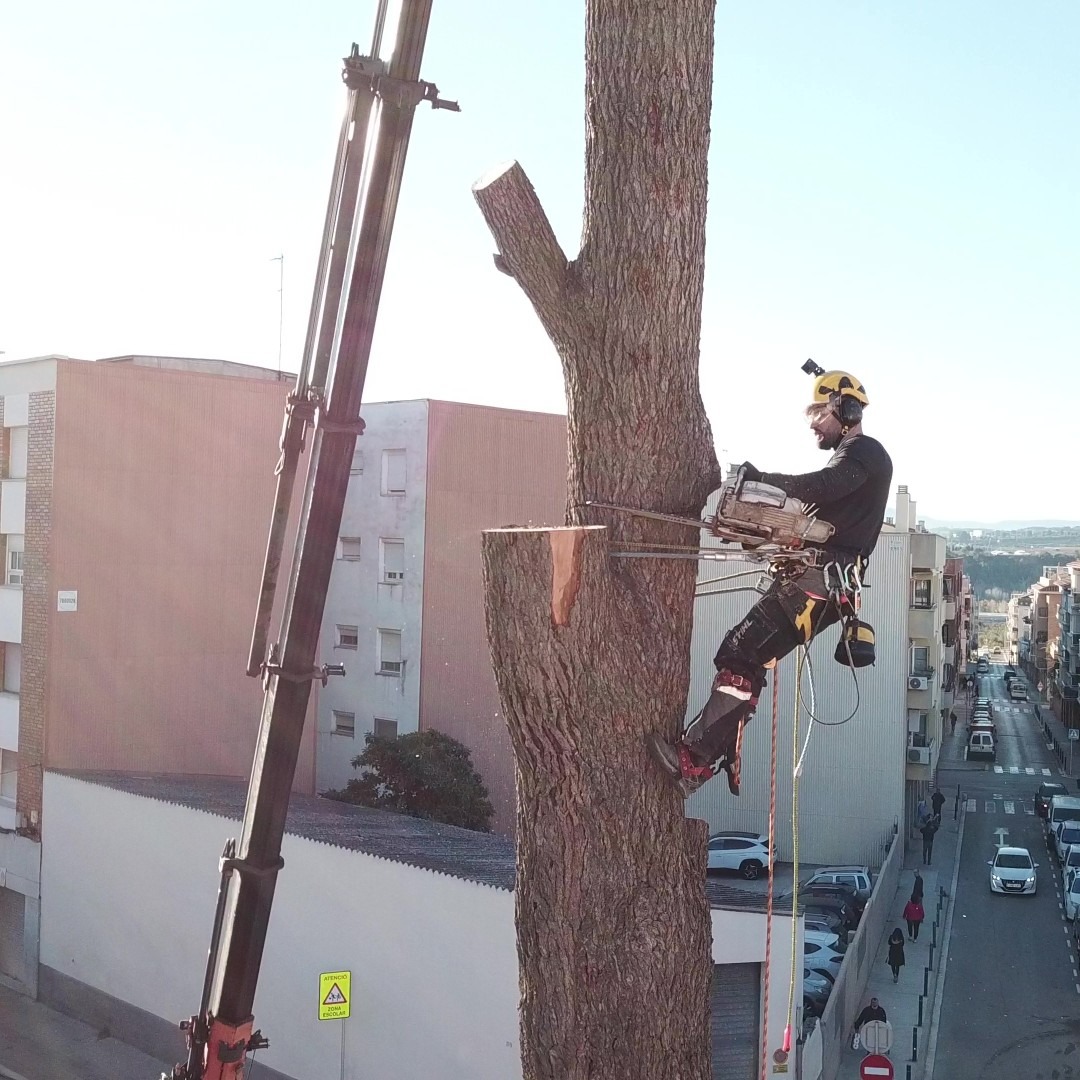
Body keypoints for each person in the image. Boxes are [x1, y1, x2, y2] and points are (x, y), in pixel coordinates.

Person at [648, 370, 893, 796]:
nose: (813, 426)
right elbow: (815, 515)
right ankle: (705, 757)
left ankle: (695, 761)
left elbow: (822, 486)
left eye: (819, 415)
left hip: (816, 586)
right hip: (819, 586)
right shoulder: (855, 460)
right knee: (746, 659)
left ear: (846, 410)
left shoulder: (864, 452)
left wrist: (763, 480)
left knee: (740, 654)